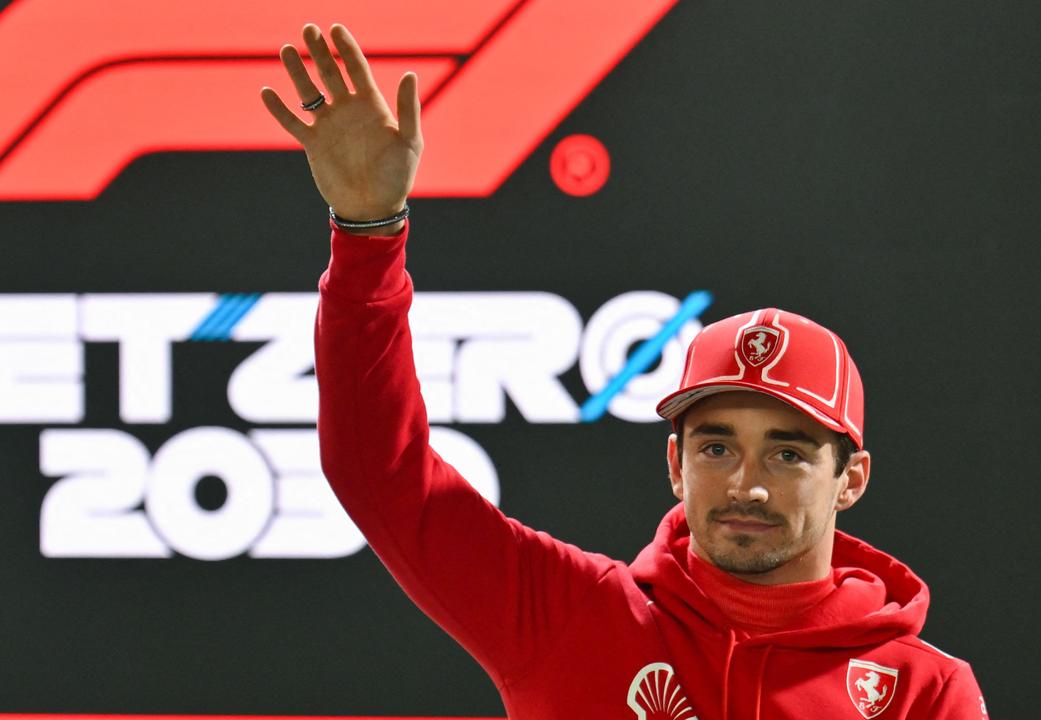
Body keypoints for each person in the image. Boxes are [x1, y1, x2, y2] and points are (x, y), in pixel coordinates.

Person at [262, 23, 988, 719]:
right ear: (675, 463)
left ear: (850, 480)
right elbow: (380, 474)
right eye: (716, 447)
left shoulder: (923, 691)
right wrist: (366, 234)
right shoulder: (568, 615)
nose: (747, 483)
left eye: (789, 453)